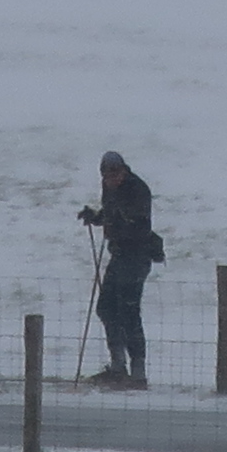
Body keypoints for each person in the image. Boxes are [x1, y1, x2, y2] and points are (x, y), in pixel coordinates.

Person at [77, 152, 160, 388]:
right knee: (106, 308)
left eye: (115, 173)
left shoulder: (138, 189)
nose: (110, 178)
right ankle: (117, 365)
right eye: (106, 174)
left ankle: (138, 373)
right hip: (120, 255)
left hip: (137, 256)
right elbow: (111, 214)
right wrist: (96, 217)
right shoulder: (109, 188)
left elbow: (139, 223)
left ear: (124, 170)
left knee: (129, 313)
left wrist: (117, 223)